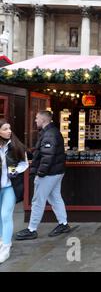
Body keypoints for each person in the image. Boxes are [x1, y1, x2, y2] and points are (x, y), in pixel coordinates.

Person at [15, 110, 73, 240]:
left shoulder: (49, 134)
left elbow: (48, 157)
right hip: (56, 172)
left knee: (37, 200)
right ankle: (63, 224)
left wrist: (40, 173)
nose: (35, 121)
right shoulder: (51, 132)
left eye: (37, 118)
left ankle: (32, 229)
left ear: (44, 120)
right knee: (55, 198)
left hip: (49, 173)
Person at [0, 119, 29, 263]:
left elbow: (25, 163)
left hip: (9, 187)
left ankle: (6, 247)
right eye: (5, 129)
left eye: (9, 128)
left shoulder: (16, 146)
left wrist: (16, 170)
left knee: (6, 215)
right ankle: (1, 241)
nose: (9, 131)